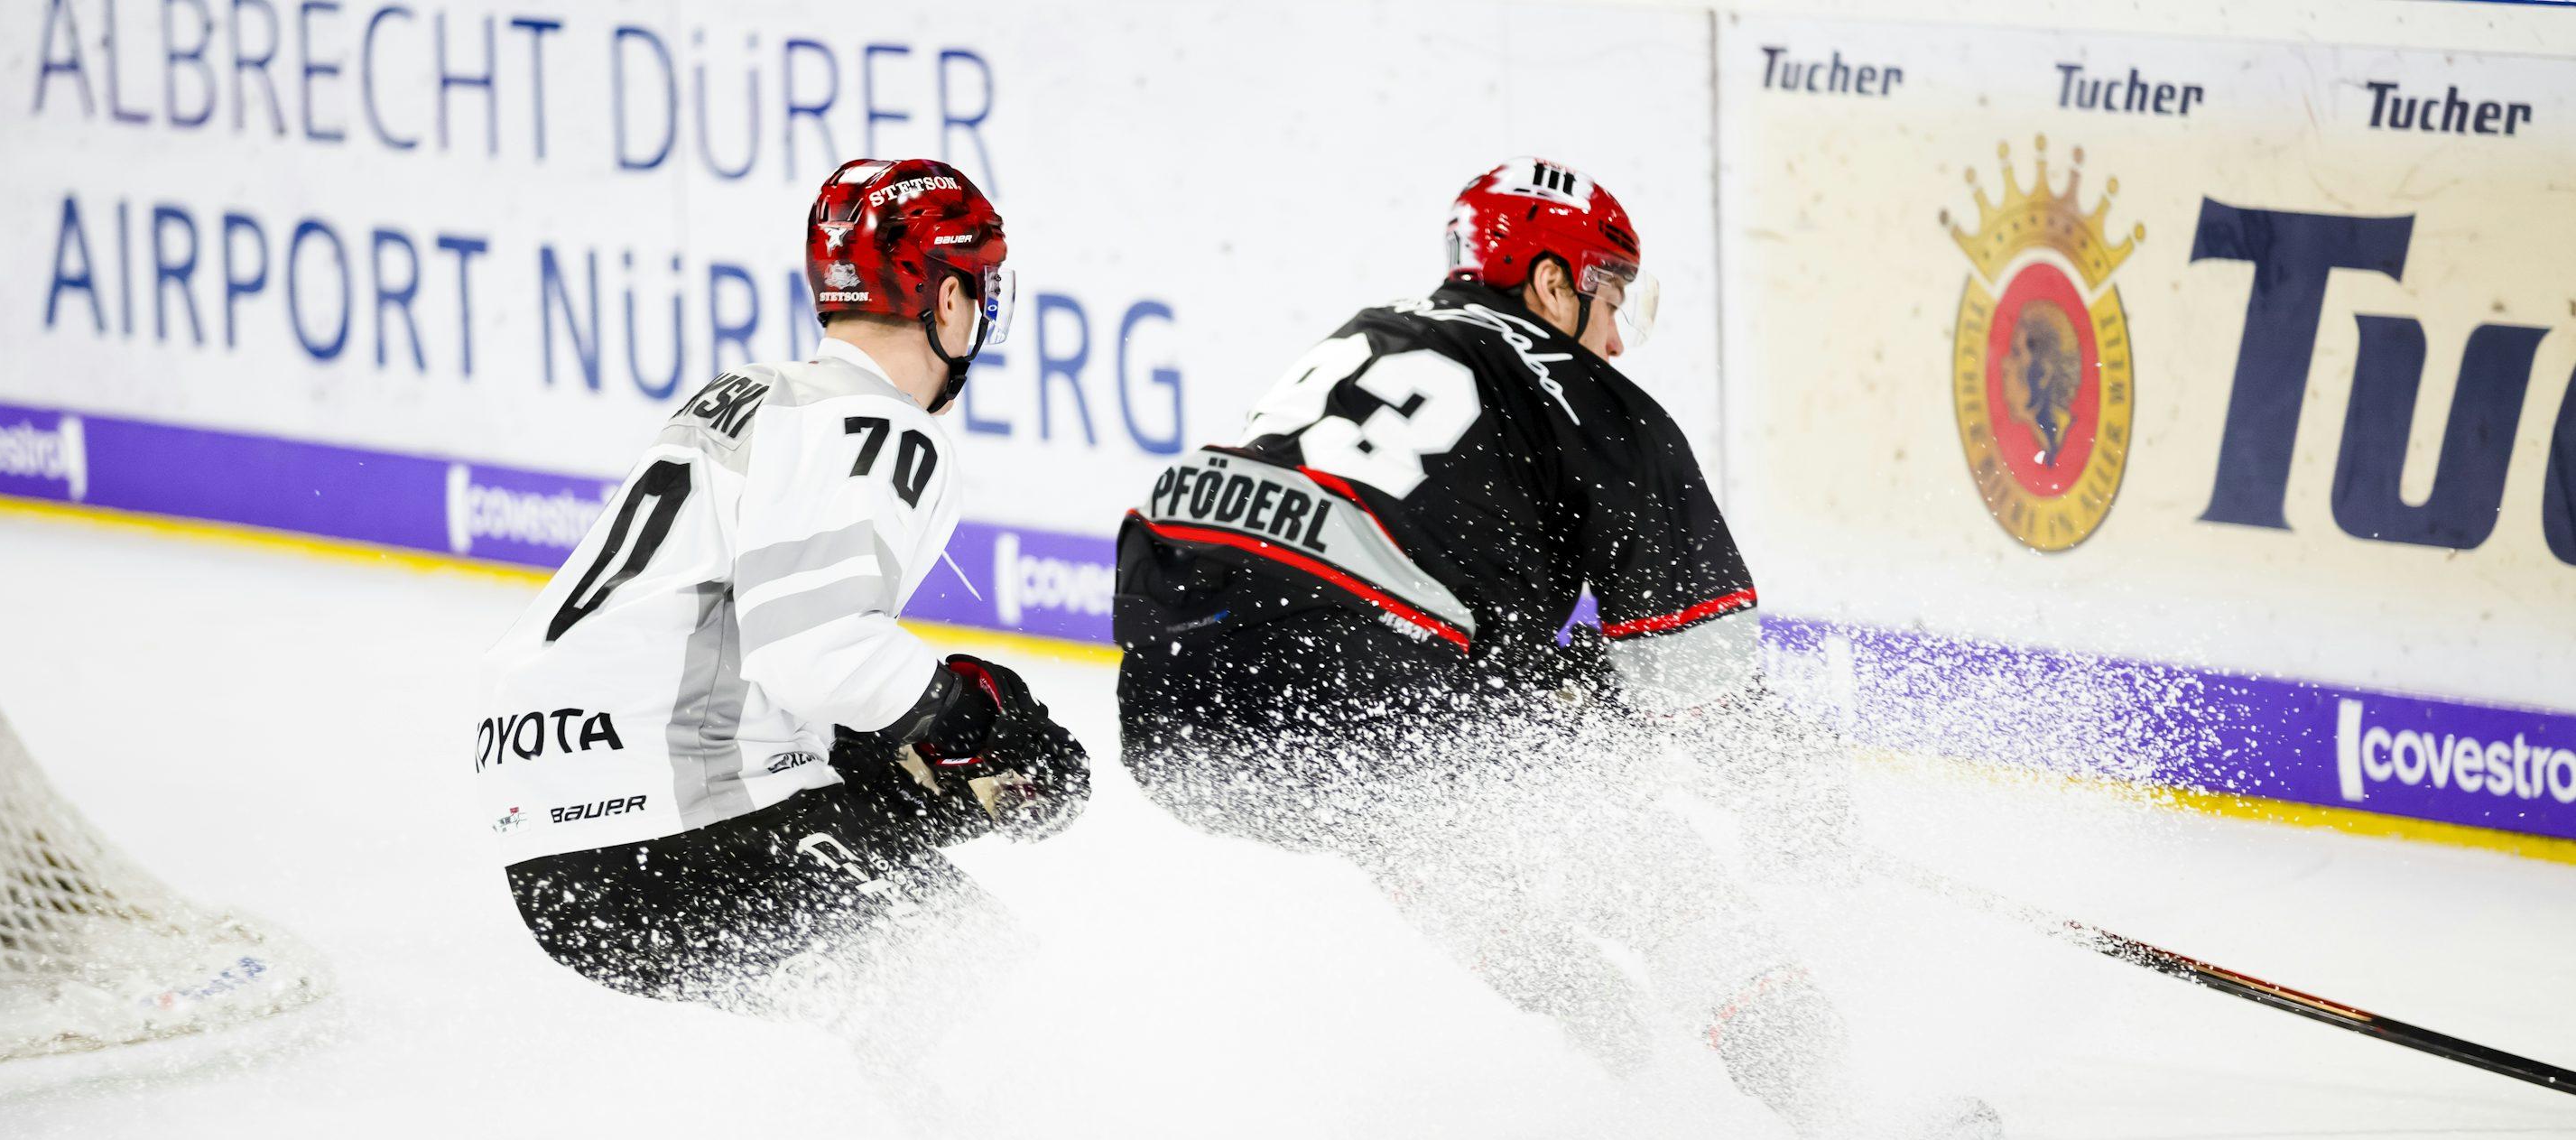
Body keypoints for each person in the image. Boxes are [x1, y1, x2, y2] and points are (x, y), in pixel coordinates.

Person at [1113, 157, 1994, 1138]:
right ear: (1549, 282)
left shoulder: (1369, 332)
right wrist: (1789, 797)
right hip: (1354, 671)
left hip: (1169, 702)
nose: (1614, 336)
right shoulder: (1589, 397)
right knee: (1638, 860)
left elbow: (1356, 564)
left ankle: (1599, 1018)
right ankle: (1846, 1107)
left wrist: (1565, 698)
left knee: (1424, 798)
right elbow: (1695, 676)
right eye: (1609, 297)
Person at [476, 158, 1089, 1057]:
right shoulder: (876, 423)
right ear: (949, 297)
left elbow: (746, 650)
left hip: (550, 842)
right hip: (676, 820)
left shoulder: (753, 395)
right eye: (982, 285)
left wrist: (905, 755)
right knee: (980, 993)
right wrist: (969, 718)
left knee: (917, 1008)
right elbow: (815, 652)